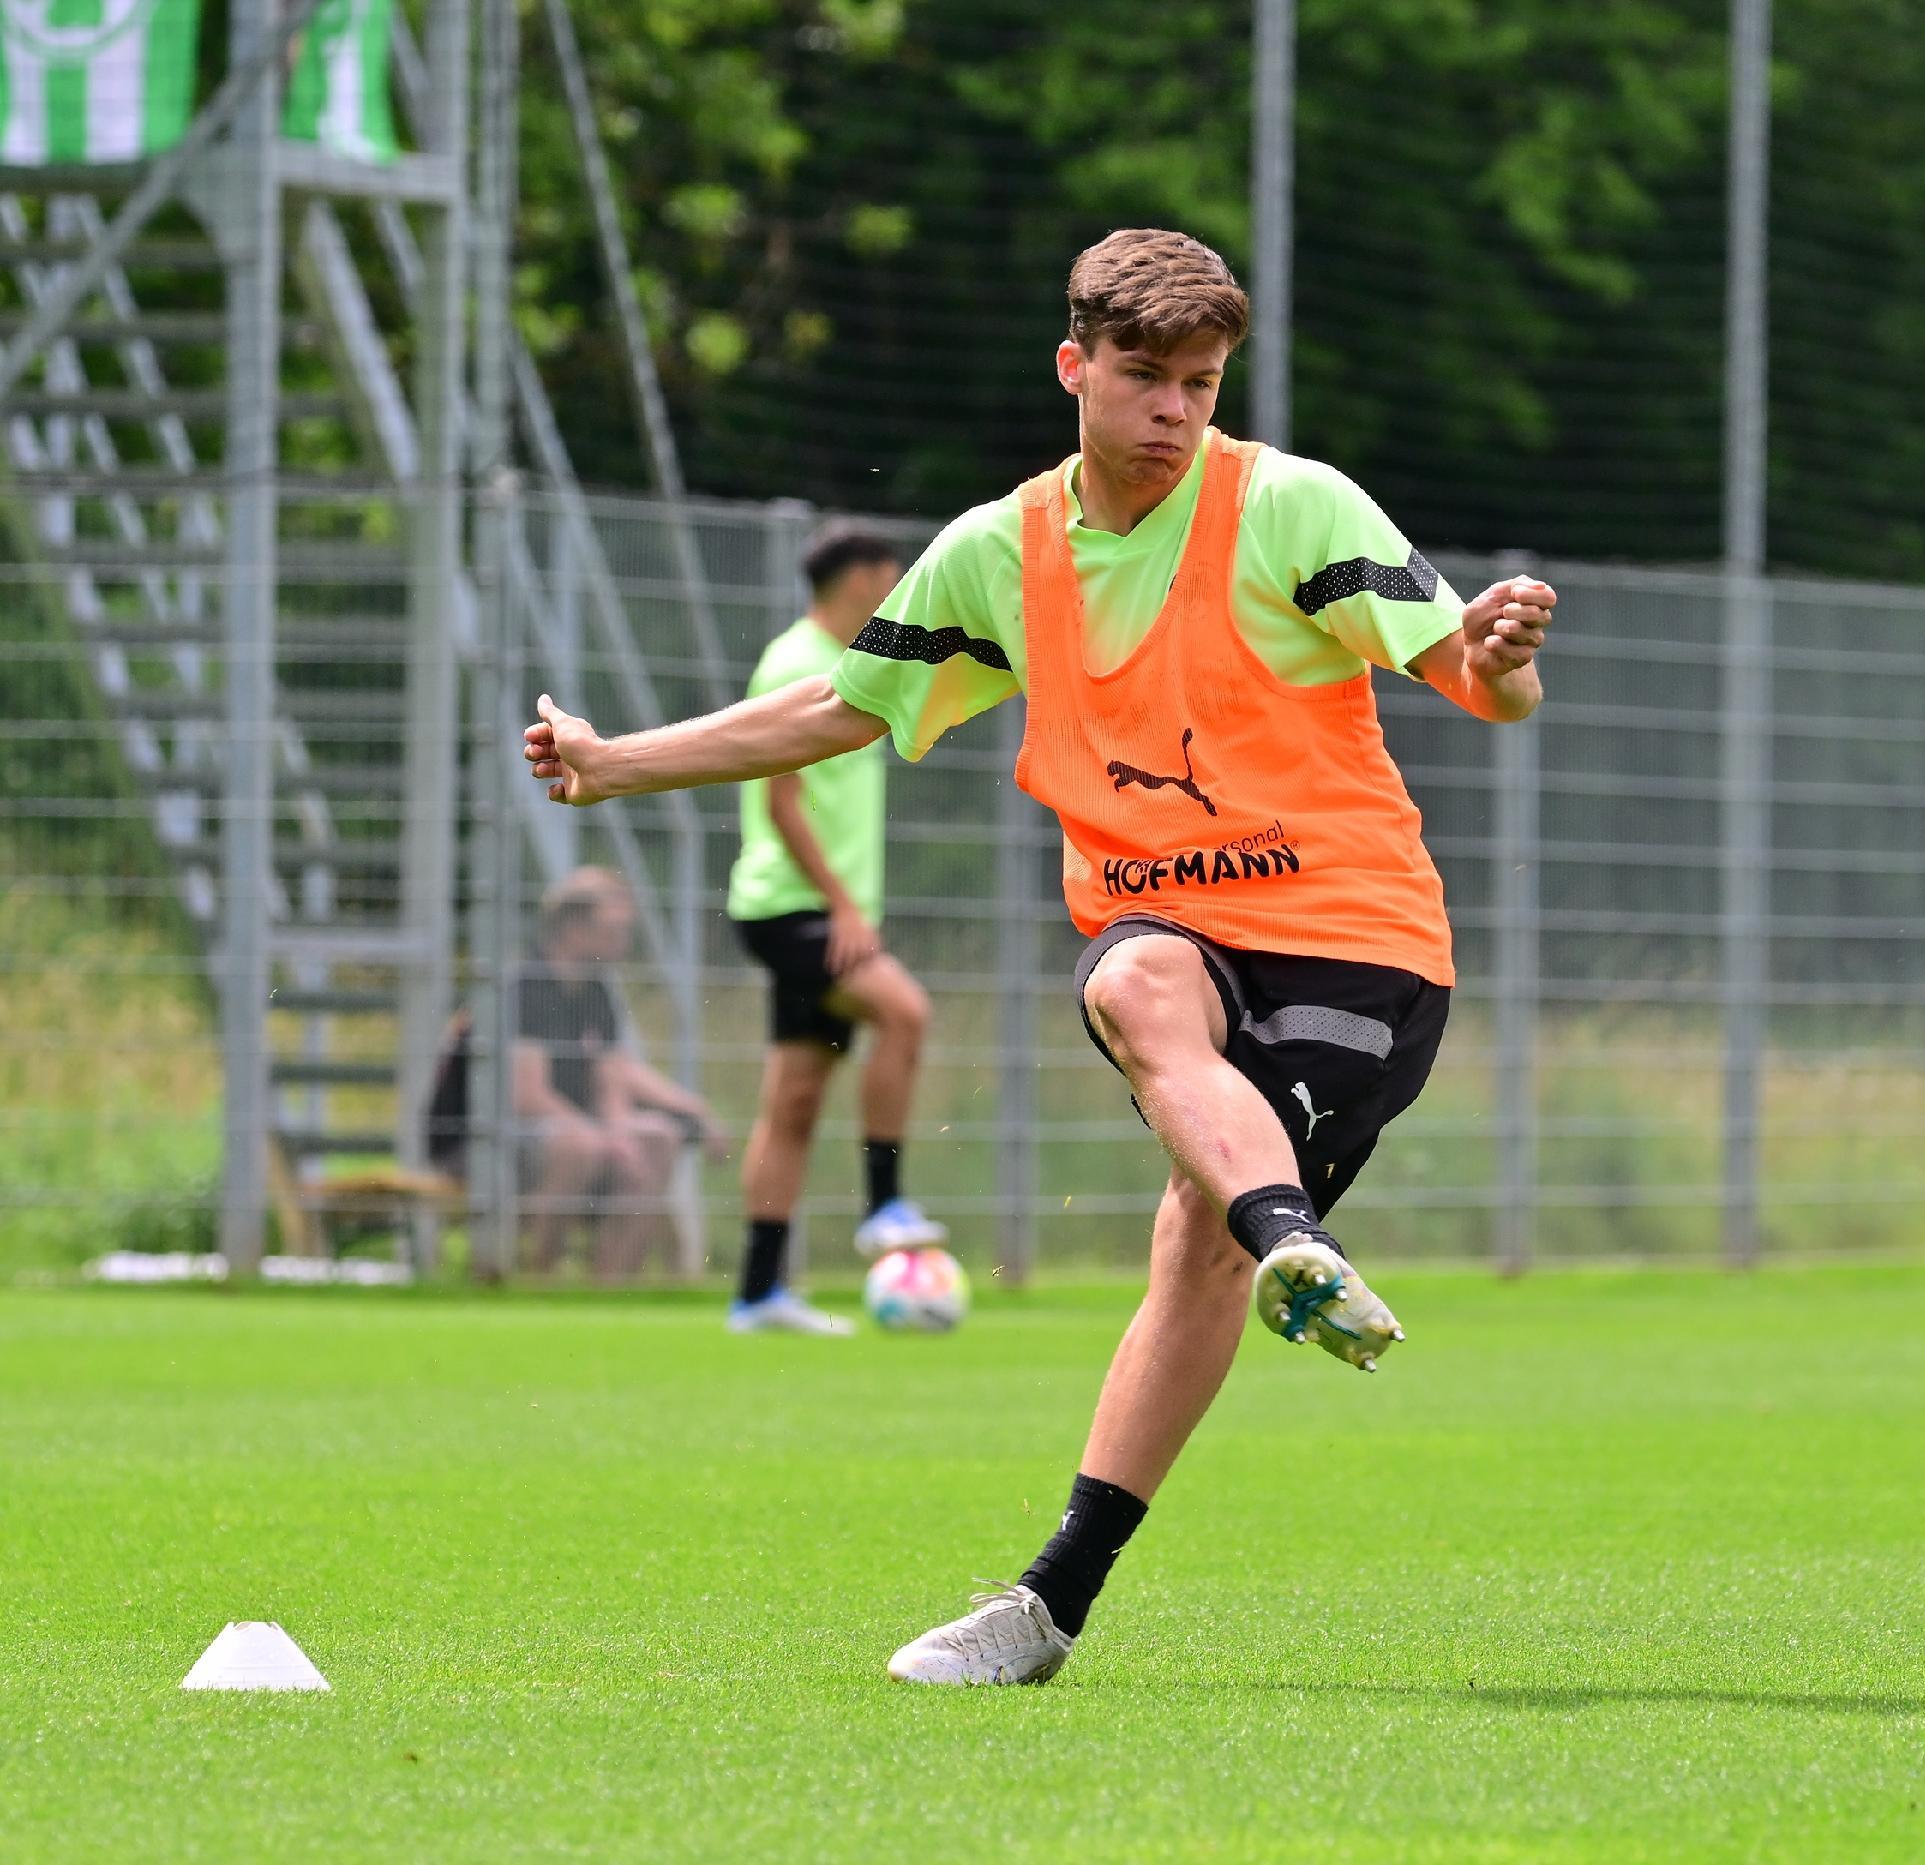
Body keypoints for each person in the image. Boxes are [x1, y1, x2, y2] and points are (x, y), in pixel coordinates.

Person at [519, 228, 1556, 1687]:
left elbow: (1467, 677)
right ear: (1076, 367)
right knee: (1132, 984)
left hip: (1356, 940)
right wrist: (618, 763)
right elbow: (841, 707)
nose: (1176, 410)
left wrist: (1499, 660)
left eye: (1200, 383)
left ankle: (1056, 1593)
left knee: (1189, 1241)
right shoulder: (1000, 551)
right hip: (1175, 938)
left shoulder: (1295, 508)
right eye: (1145, 377)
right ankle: (1289, 1251)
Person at [722, 522, 948, 1337]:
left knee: (793, 1101)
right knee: (904, 1012)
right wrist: (846, 907)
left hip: (806, 909)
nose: (893, 591)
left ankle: (756, 1293)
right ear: (861, 578)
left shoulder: (851, 661)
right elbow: (781, 802)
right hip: (794, 909)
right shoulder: (796, 664)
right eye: (889, 577)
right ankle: (884, 1204)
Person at [427, 866, 723, 1279]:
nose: (625, 941)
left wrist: (626, 1131)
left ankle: (608, 1288)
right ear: (573, 927)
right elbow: (527, 1098)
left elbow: (611, 1078)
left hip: (559, 1135)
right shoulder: (524, 986)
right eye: (614, 928)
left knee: (657, 1138)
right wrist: (603, 1136)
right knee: (579, 1145)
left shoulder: (595, 987)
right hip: (478, 1142)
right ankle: (538, 1278)